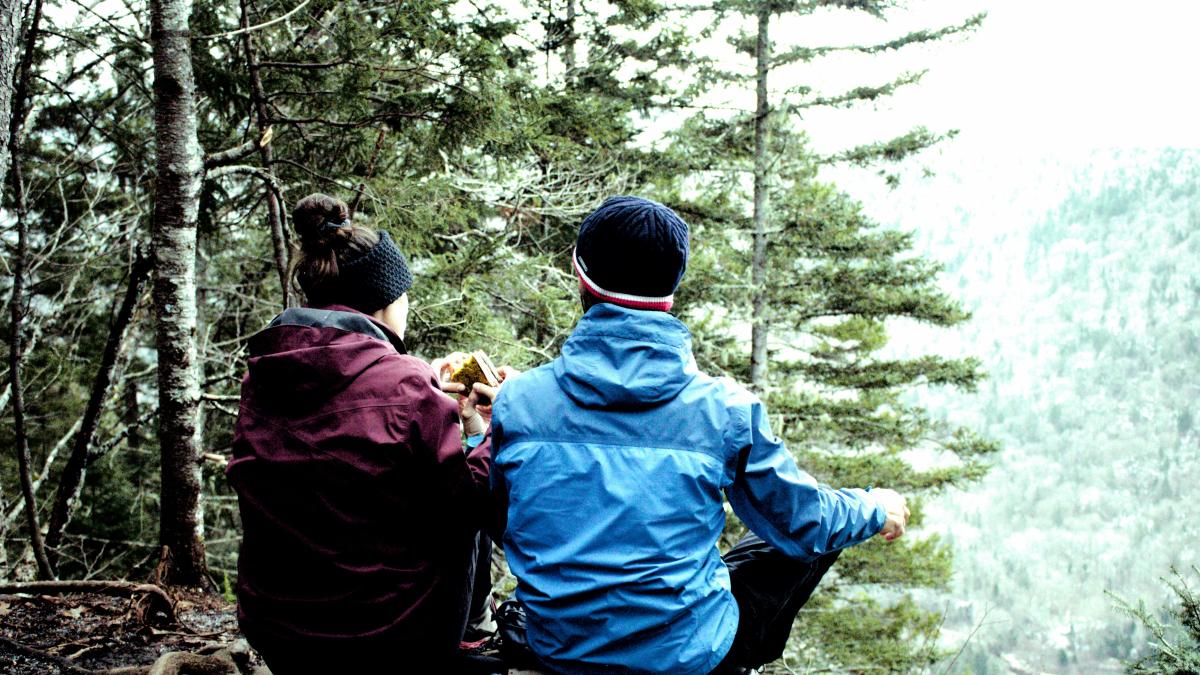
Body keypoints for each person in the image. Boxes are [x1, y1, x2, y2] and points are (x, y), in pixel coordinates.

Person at [489, 196, 911, 674]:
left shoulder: (518, 400)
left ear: (579, 275)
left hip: (559, 649)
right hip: (687, 655)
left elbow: (502, 519)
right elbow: (805, 523)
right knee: (805, 529)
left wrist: (487, 429)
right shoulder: (724, 409)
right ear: (672, 290)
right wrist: (874, 508)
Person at [226, 193, 503, 673]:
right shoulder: (406, 386)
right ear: (385, 300)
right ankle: (472, 641)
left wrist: (428, 392)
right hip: (391, 638)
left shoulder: (264, 375)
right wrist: (492, 429)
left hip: (279, 632)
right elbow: (469, 506)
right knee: (463, 515)